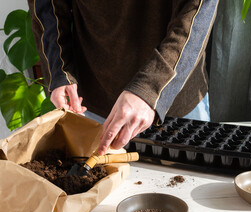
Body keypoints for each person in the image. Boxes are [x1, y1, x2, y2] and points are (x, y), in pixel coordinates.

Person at [28, 0, 218, 156]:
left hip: (175, 102)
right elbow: (47, 6)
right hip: (92, 104)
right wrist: (59, 69)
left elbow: (196, 14)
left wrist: (150, 87)